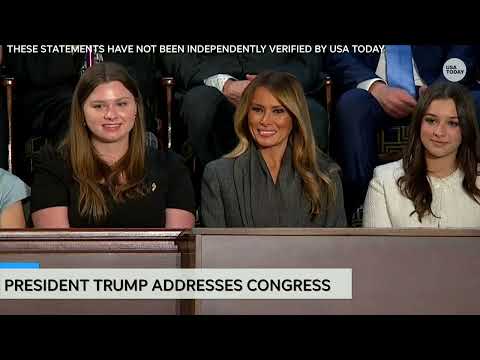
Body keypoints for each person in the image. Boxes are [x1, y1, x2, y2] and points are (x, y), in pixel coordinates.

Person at [326, 45, 480, 224]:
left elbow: (463, 49)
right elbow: (337, 52)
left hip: (438, 83)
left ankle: (471, 186)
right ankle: (362, 202)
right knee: (351, 106)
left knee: (476, 103)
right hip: (372, 91)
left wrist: (439, 92)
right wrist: (376, 87)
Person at [30, 62, 196, 228]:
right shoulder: (52, 167)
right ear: (80, 112)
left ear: (136, 108)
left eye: (121, 104)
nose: (111, 114)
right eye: (99, 106)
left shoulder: (171, 167)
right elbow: (56, 248)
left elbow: (180, 248)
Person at [201, 71, 346, 227]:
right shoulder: (218, 175)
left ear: (295, 116)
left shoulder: (325, 176)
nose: (265, 120)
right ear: (246, 113)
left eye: (278, 111)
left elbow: (335, 247)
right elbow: (212, 248)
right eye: (257, 109)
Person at [161, 52, 327, 166]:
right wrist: (225, 84)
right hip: (214, 85)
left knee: (313, 115)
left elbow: (308, 61)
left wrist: (274, 84)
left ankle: (303, 204)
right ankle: (216, 196)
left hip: (283, 85)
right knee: (199, 105)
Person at [363, 82, 480, 228]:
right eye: (431, 121)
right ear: (419, 123)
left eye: (452, 123)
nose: (439, 132)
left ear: (466, 128)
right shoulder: (384, 180)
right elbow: (376, 249)